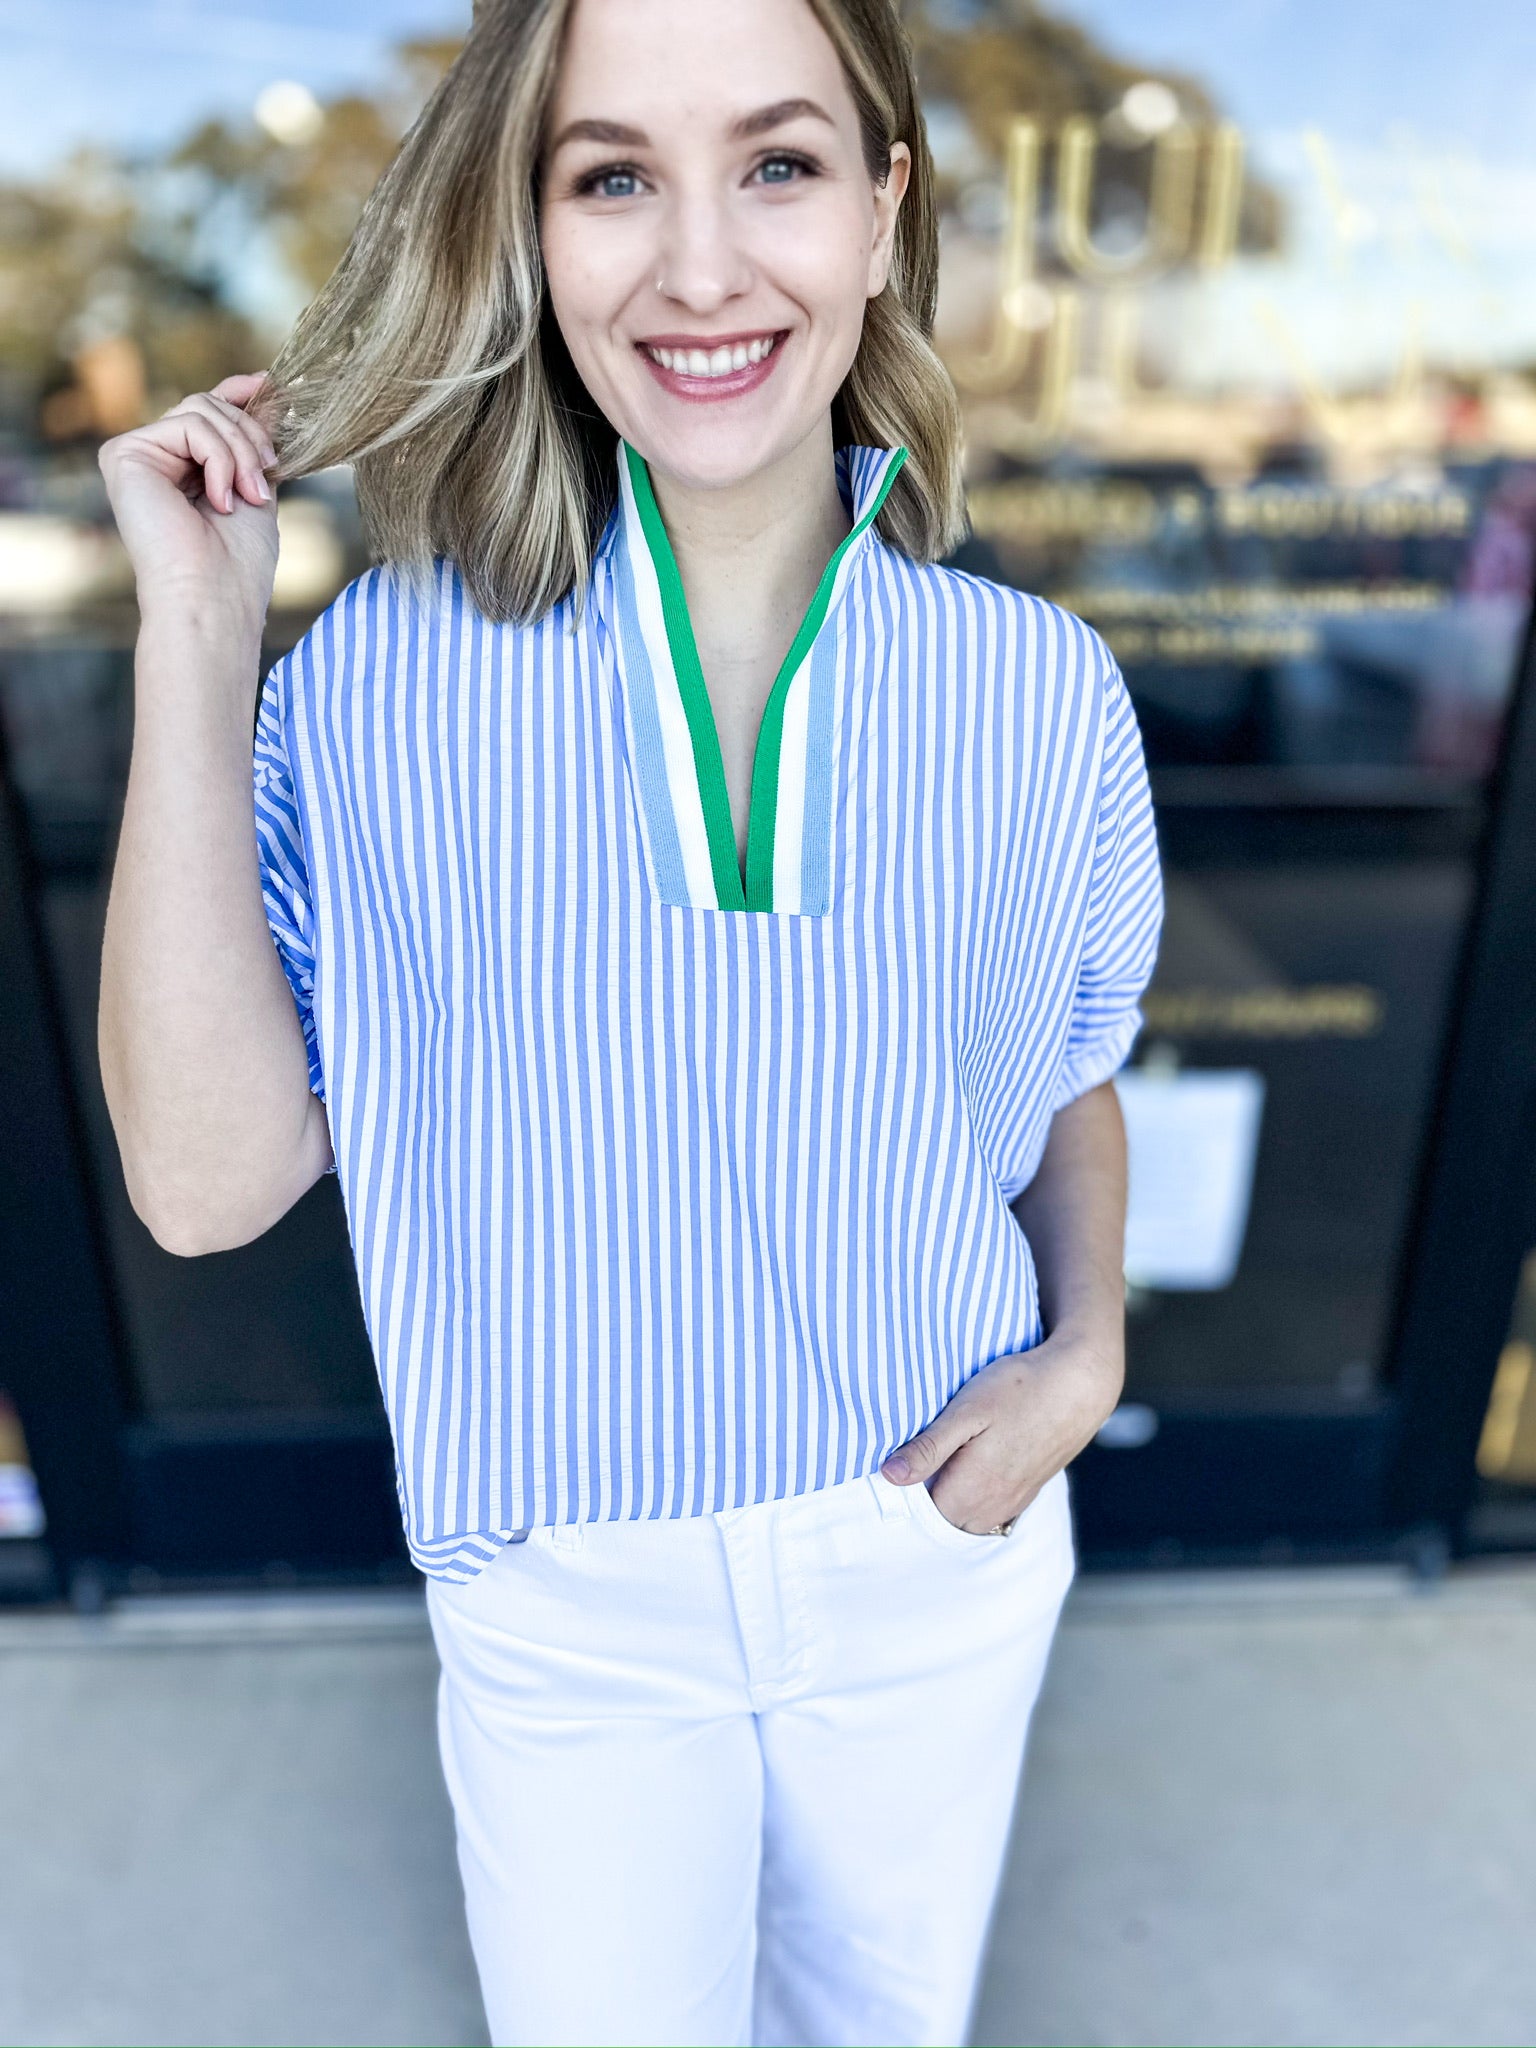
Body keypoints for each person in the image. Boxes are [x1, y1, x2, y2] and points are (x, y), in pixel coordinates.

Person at [95, 0, 1162, 2041]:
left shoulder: (1040, 689)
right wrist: (202, 634)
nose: (697, 266)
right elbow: (208, 1185)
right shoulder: (369, 682)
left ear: (881, 209)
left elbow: (1068, 1073)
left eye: (777, 163)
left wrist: (1088, 1351)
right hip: (568, 1602)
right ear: (533, 228)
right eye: (612, 177)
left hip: (935, 1550)